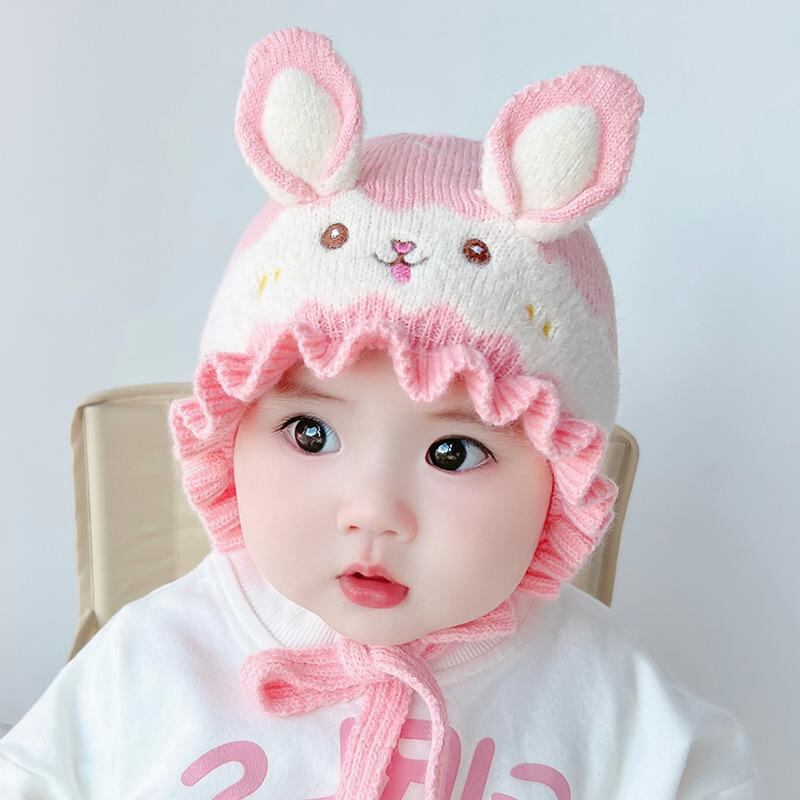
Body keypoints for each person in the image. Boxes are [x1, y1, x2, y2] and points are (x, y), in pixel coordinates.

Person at [0, 26, 760, 799]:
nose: (373, 512)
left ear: (558, 483)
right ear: (229, 437)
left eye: (453, 453)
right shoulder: (154, 662)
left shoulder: (609, 703)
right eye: (311, 433)